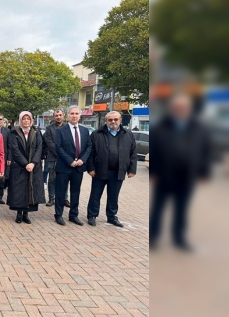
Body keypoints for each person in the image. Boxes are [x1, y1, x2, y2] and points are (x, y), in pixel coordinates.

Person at [150, 93, 211, 251]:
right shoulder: (161, 127)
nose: (180, 110)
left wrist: (205, 172)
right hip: (164, 175)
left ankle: (179, 238)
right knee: (158, 208)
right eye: (177, 107)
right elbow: (154, 150)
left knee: (181, 209)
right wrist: (153, 173)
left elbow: (205, 151)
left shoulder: (199, 128)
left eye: (183, 107)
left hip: (187, 177)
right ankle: (153, 237)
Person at [86, 111, 137, 227]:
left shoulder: (128, 134)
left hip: (118, 171)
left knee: (113, 196)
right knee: (95, 195)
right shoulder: (96, 134)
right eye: (110, 120)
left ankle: (111, 216)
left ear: (120, 120)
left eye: (115, 119)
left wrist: (132, 169)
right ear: (106, 121)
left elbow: (133, 152)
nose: (113, 122)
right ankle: (92, 215)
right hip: (100, 170)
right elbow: (90, 153)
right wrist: (91, 168)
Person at [54, 106, 92, 226]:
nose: (74, 116)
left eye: (76, 113)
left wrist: (83, 160)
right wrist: (70, 160)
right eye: (72, 114)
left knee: (75, 192)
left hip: (79, 167)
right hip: (64, 166)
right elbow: (58, 147)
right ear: (67, 116)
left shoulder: (85, 131)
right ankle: (58, 215)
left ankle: (73, 215)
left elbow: (89, 146)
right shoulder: (60, 131)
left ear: (80, 116)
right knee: (60, 192)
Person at [7, 111, 46, 224]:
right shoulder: (14, 133)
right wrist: (25, 164)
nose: (26, 121)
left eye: (28, 119)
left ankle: (26, 214)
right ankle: (19, 214)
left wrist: (33, 163)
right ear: (20, 120)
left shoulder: (36, 132)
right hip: (19, 166)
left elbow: (39, 148)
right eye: (23, 119)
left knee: (30, 189)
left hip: (33, 167)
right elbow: (15, 150)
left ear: (31, 121)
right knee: (19, 190)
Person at [43, 110, 69, 207]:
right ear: (54, 117)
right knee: (52, 179)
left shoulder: (68, 127)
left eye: (60, 115)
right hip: (53, 157)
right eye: (56, 115)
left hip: (66, 158)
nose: (58, 117)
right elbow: (49, 143)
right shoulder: (49, 128)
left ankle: (65, 198)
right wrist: (60, 153)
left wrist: (65, 155)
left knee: (65, 179)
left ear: (63, 116)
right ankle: (51, 198)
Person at [0, 113, 10, 205]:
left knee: (2, 178)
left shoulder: (7, 131)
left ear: (3, 121)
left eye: (0, 119)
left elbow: (10, 145)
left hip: (3, 157)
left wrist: (9, 158)